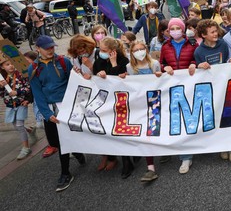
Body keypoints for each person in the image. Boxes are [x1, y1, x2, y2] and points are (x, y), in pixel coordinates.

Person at [28, 35, 85, 192]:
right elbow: (37, 93)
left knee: (62, 142)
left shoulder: (62, 62)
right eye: (47, 48)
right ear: (38, 49)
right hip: (49, 108)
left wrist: (78, 75)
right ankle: (77, 151)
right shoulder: (33, 68)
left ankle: (65, 173)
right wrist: (46, 114)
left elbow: (72, 83)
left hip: (66, 106)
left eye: (52, 47)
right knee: (54, 141)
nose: (51, 50)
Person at [195, 19, 231, 162]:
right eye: (212, 32)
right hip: (212, 89)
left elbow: (226, 60)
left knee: (229, 117)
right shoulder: (199, 51)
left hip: (226, 85)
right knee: (217, 118)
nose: (216, 34)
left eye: (216, 31)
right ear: (203, 35)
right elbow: (197, 73)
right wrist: (200, 66)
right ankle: (222, 146)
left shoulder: (222, 44)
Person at [159, 18, 197, 173]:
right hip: (173, 87)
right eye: (171, 28)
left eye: (177, 28)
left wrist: (194, 63)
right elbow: (160, 63)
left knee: (193, 117)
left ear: (183, 29)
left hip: (191, 85)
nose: (175, 31)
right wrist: (164, 67)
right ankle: (185, 157)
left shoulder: (193, 44)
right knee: (179, 119)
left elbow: (198, 58)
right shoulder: (165, 46)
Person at [124, 40, 162, 183]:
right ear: (132, 53)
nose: (139, 52)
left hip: (155, 101)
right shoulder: (129, 67)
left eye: (141, 49)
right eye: (136, 50)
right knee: (146, 134)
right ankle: (150, 167)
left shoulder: (154, 64)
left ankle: (165, 152)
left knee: (157, 130)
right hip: (140, 104)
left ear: (146, 50)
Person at [93, 36, 131, 178]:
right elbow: (95, 78)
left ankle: (127, 161)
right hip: (106, 101)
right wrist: (98, 74)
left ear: (112, 51)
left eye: (104, 50)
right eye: (100, 49)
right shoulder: (99, 61)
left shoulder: (123, 60)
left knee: (122, 129)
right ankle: (112, 156)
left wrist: (114, 65)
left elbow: (118, 82)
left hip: (121, 100)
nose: (101, 52)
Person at [1, 57, 37, 160]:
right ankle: (30, 130)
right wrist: (2, 87)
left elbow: (28, 88)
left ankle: (26, 147)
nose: (11, 65)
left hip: (21, 103)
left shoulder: (21, 75)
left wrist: (18, 92)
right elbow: (1, 94)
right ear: (2, 67)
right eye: (7, 64)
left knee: (19, 124)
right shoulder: (3, 78)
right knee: (15, 125)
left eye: (12, 63)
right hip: (10, 105)